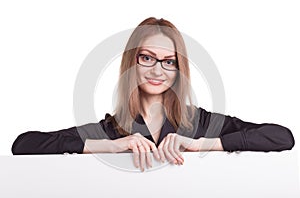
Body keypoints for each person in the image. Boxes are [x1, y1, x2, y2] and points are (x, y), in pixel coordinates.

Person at [11, 17, 295, 172]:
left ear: (178, 69)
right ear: (131, 63)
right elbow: (24, 144)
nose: (158, 71)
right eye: (147, 58)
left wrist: (203, 144)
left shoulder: (200, 122)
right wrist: (109, 146)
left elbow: (283, 137)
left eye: (169, 61)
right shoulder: (111, 130)